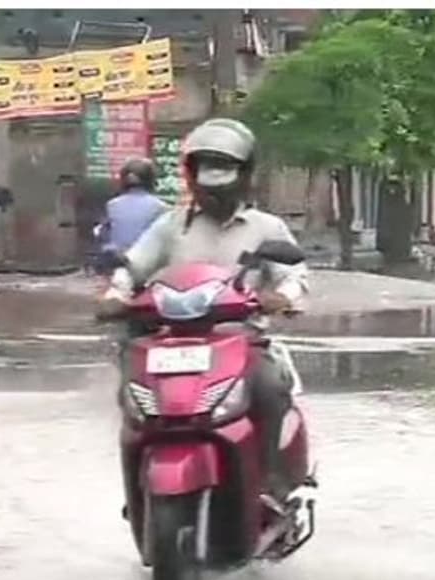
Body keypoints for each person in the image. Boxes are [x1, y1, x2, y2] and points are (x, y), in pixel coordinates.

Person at [97, 118, 308, 508]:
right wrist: (116, 294)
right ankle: (138, 488)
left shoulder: (266, 227)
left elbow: (294, 274)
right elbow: (133, 267)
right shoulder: (170, 226)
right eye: (204, 174)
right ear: (192, 178)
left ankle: (271, 483)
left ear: (244, 177)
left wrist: (283, 296)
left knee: (269, 388)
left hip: (241, 339)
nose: (213, 193)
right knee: (132, 394)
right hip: (172, 339)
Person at [92, 158, 168, 274]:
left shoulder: (112, 205)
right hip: (146, 268)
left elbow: (102, 234)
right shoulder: (161, 208)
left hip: (115, 266)